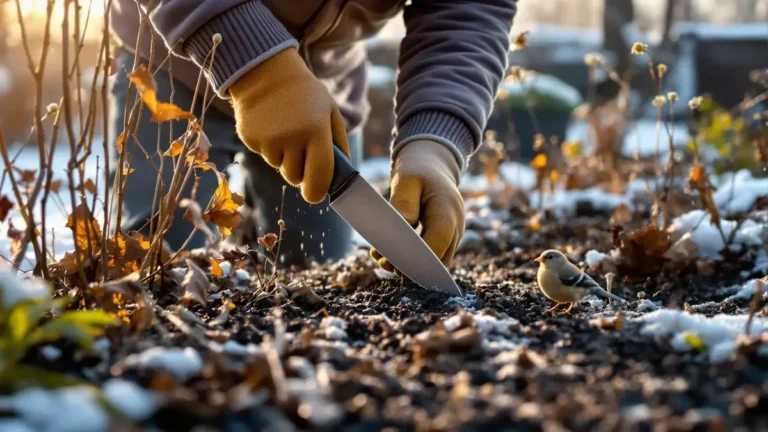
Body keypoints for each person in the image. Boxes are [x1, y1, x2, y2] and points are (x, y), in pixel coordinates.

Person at [110, 1, 518, 269]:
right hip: (174, 63)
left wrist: (434, 142)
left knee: (316, 262)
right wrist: (260, 72)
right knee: (156, 258)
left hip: (323, 99)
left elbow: (468, 9)